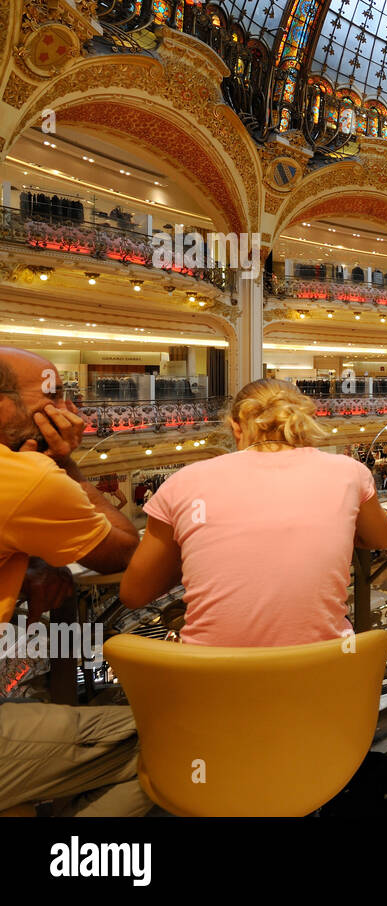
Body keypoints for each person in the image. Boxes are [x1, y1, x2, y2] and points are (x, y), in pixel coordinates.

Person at [119, 379, 387, 645]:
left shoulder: (184, 481)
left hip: (210, 677)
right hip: (322, 670)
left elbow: (134, 594)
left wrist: (195, 548)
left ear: (235, 427)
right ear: (303, 422)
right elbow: (381, 539)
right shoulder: (347, 472)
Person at [0, 348, 149, 816]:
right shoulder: (26, 478)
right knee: (174, 744)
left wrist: (30, 561)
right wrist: (65, 463)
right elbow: (124, 549)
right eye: (53, 397)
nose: (71, 414)